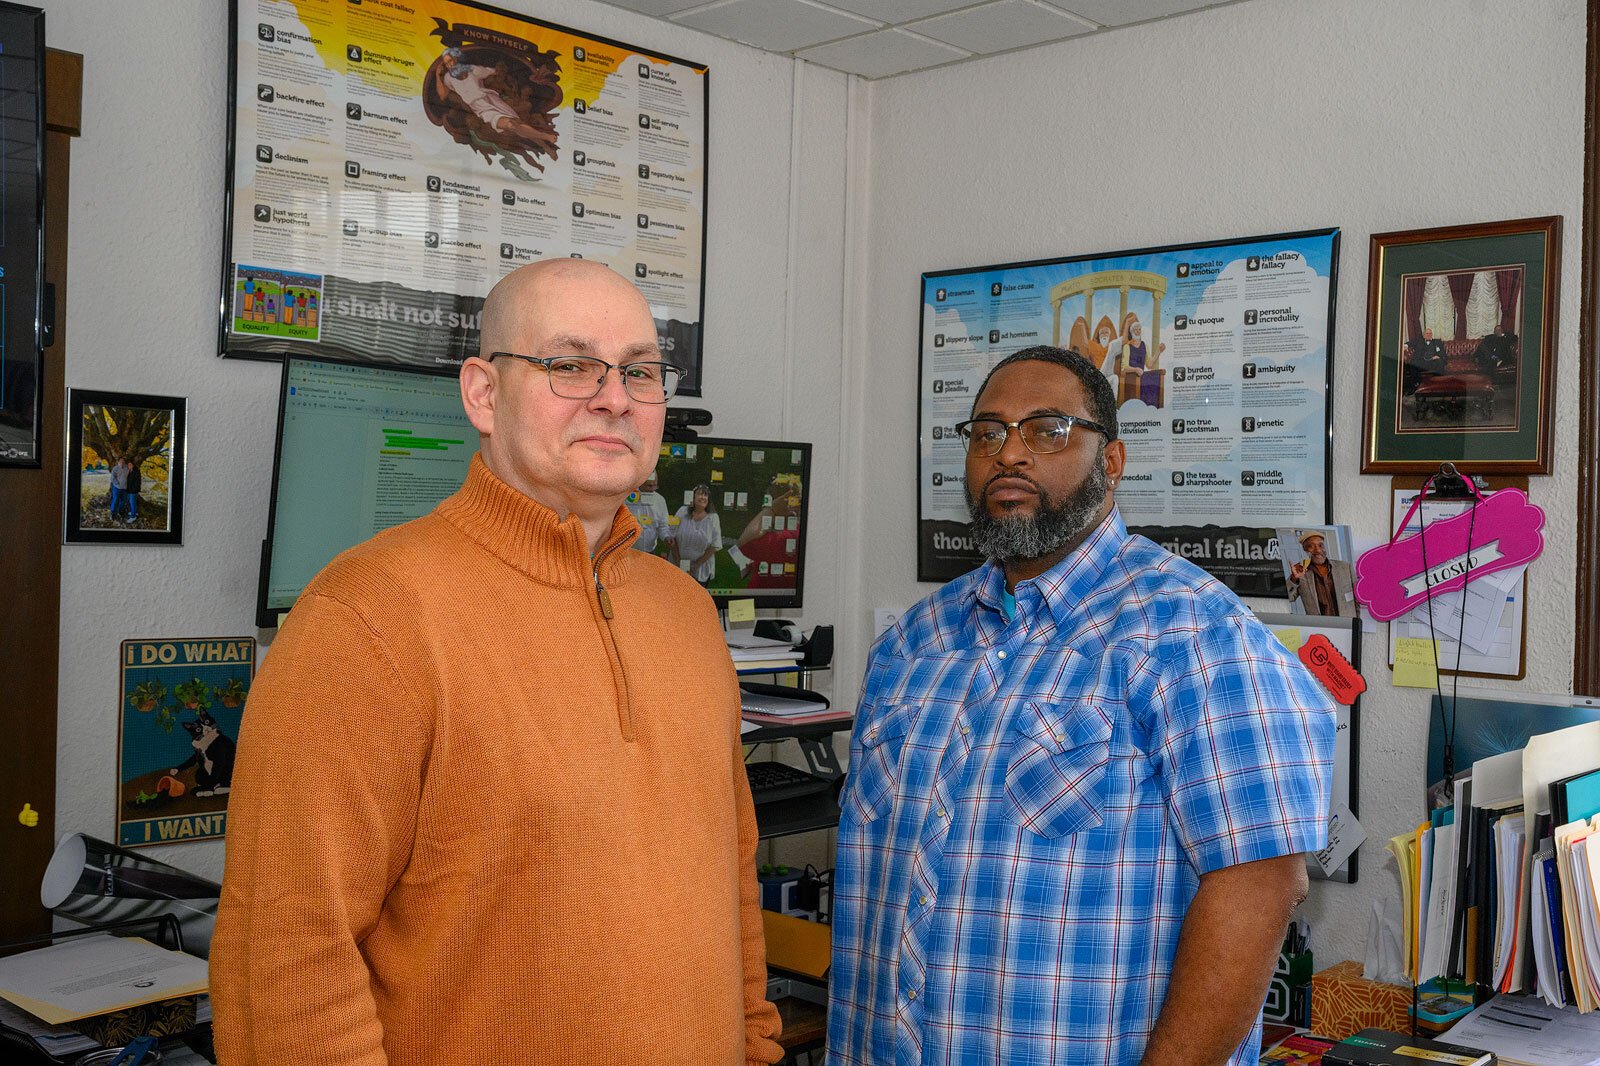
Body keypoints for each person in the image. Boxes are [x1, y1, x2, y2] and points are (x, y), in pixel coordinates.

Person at [212, 260, 782, 1065]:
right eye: (571, 364)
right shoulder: (365, 617)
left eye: (641, 371)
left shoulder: (687, 614)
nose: (614, 397)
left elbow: (733, 884)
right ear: (482, 394)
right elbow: (285, 955)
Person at [829, 344, 1335, 1066]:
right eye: (987, 433)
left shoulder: (1194, 632)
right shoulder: (911, 644)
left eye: (1047, 430)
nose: (1010, 454)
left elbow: (1260, 886)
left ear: (1114, 460)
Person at [735, 475, 801, 588]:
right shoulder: (792, 534)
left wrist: (772, 510)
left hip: (757, 600)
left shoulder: (782, 539)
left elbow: (742, 543)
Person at [1286, 531, 1355, 617]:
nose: (1318, 550)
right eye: (1311, 546)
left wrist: (1357, 623)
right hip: (1319, 627)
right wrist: (1294, 579)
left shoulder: (1345, 567)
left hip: (1345, 624)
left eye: (1320, 545)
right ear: (1305, 550)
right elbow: (1290, 598)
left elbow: (1357, 599)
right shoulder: (1300, 572)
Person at [671, 482, 721, 585]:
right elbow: (672, 537)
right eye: (700, 494)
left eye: (705, 495)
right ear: (693, 497)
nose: (703, 497)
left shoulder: (713, 518)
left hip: (700, 570)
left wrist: (696, 566)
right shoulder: (682, 512)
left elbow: (715, 545)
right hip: (677, 566)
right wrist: (679, 562)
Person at [626, 468, 672, 555]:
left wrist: (667, 537)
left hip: (650, 552)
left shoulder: (660, 500)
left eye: (655, 485)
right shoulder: (628, 498)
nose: (653, 489)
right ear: (641, 482)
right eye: (649, 486)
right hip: (629, 551)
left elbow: (663, 526)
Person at [107, 454, 128, 523]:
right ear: (118, 462)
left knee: (123, 500)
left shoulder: (127, 468)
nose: (122, 462)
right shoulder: (115, 468)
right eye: (121, 461)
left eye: (123, 461)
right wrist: (118, 484)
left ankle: (120, 511)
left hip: (125, 488)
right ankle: (112, 513)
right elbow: (113, 478)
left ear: (124, 462)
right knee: (115, 500)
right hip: (117, 488)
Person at [123, 455, 142, 524]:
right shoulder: (129, 472)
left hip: (133, 490)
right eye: (128, 465)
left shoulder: (136, 472)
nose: (129, 466)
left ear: (133, 465)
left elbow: (137, 482)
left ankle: (133, 516)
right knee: (131, 502)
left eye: (130, 465)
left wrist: (133, 490)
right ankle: (134, 512)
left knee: (132, 502)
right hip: (129, 490)